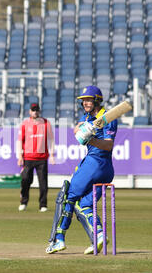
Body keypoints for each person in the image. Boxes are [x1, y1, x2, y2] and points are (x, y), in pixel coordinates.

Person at [46, 85, 117, 254]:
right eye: (83, 100)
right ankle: (99, 236)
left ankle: (58, 239)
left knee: (67, 196)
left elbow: (108, 145)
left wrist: (90, 140)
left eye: (88, 99)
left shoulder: (107, 117)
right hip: (105, 168)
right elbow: (79, 128)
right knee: (83, 205)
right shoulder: (89, 117)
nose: (85, 103)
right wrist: (79, 129)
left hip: (96, 162)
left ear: (97, 100)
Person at [17, 102, 55, 212]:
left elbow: (51, 139)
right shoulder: (25, 124)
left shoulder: (46, 123)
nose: (35, 112)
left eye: (37, 110)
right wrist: (20, 156)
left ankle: (43, 204)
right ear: (30, 111)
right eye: (33, 110)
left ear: (39, 111)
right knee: (25, 180)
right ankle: (23, 201)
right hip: (28, 158)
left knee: (43, 183)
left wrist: (52, 155)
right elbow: (20, 141)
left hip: (42, 158)